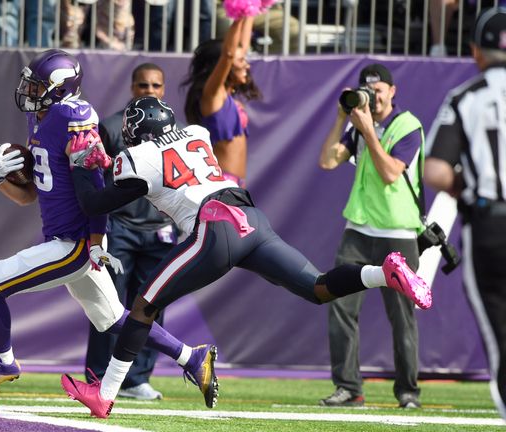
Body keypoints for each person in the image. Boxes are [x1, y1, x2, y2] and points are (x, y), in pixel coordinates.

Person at [60, 96, 433, 418]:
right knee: (318, 287)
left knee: (142, 307)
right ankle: (383, 273)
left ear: (137, 131)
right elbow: (167, 168)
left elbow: (95, 202)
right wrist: (105, 166)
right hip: (251, 218)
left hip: (213, 227)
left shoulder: (136, 157)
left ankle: (104, 395)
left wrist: (80, 164)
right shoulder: (196, 133)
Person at [0, 49, 215, 398]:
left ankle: (4, 360)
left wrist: (95, 241)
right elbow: (30, 196)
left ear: (60, 88)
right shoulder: (42, 117)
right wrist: (0, 179)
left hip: (75, 243)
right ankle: (192, 357)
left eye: (37, 86)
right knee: (115, 319)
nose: (29, 92)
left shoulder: (74, 116)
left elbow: (95, 181)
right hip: (65, 238)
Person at [317, 63, 426, 409]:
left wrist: (368, 130)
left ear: (392, 91)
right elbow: (327, 162)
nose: (373, 96)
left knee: (401, 315)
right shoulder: (358, 126)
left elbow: (391, 173)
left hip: (397, 232)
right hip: (358, 229)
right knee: (340, 306)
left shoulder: (408, 126)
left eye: (379, 89)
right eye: (367, 90)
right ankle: (349, 388)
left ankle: (408, 391)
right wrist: (341, 119)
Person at [424, 6, 506, 420]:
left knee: (501, 339)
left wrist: (464, 186)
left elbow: (436, 170)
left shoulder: (465, 97)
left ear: (475, 52)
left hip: (491, 224)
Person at [84, 63, 178, 401]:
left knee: (152, 305)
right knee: (105, 304)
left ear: (164, 90)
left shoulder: (175, 131)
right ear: (132, 88)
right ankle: (96, 377)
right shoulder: (109, 127)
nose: (149, 91)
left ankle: (137, 379)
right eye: (142, 85)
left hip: (161, 230)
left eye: (155, 85)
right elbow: (94, 180)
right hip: (118, 228)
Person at [182, 16, 262, 188]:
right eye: (241, 61)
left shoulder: (227, 95)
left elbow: (240, 48)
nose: (247, 65)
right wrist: (238, 18)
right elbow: (229, 54)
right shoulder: (212, 95)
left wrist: (249, 11)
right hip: (220, 185)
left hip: (237, 185)